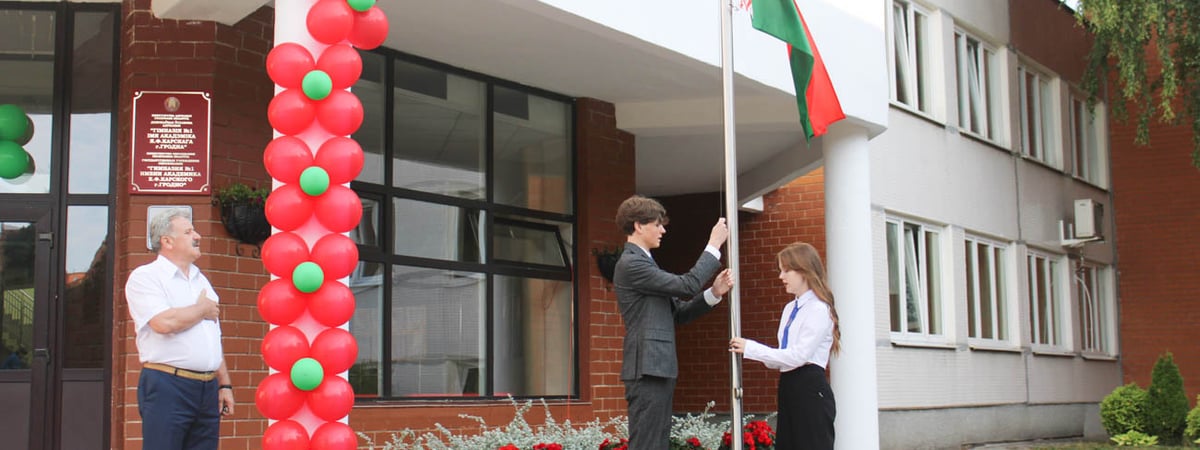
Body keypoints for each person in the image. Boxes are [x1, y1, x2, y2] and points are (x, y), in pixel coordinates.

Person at [613, 195, 734, 450]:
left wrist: (714, 293)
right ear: (638, 225)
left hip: (656, 367)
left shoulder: (645, 262)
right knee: (648, 444)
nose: (663, 230)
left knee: (656, 443)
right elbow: (687, 285)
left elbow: (678, 313)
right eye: (657, 224)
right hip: (647, 368)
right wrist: (713, 245)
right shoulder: (632, 263)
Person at [124, 208, 234, 449]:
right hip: (168, 385)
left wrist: (223, 383)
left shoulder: (200, 279)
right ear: (167, 241)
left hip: (207, 388)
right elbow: (163, 322)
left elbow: (212, 338)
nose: (198, 236)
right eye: (188, 231)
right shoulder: (146, 277)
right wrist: (202, 310)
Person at [730, 242, 840, 450]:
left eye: (786, 270)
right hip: (789, 385)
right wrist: (753, 352)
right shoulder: (790, 308)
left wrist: (751, 348)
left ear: (804, 271)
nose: (781, 276)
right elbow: (781, 358)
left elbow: (798, 356)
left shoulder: (818, 309)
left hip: (810, 388)